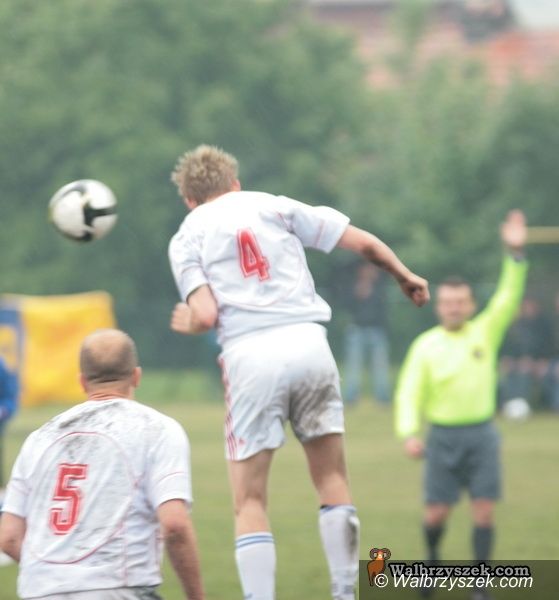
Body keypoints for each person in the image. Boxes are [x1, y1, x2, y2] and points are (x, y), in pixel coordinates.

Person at [168, 144, 429, 600]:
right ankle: (344, 591)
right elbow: (363, 242)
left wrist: (190, 321)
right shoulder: (275, 205)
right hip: (310, 345)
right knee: (331, 478)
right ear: (235, 183)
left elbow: (206, 315)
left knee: (249, 499)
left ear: (189, 199)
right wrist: (403, 275)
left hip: (251, 356)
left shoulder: (188, 234)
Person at [0, 329, 204, 600]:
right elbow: (175, 525)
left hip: (39, 591)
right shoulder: (157, 429)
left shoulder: (39, 438)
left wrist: (57, 578)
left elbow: (9, 538)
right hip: (118, 588)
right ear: (136, 376)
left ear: (82, 381)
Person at [394, 210, 528, 600]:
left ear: (470, 305)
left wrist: (515, 254)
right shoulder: (426, 346)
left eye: (460, 302)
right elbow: (408, 392)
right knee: (436, 513)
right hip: (442, 438)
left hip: (482, 435)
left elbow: (508, 296)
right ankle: (432, 561)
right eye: (448, 302)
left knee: (484, 510)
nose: (454, 307)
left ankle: (479, 583)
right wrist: (409, 433)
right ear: (438, 306)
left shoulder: (485, 332)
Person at [340, 262, 391, 405]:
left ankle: (383, 396)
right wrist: (357, 294)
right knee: (353, 365)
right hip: (357, 329)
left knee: (380, 366)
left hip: (377, 329)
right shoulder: (353, 286)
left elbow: (383, 308)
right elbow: (346, 305)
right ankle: (351, 396)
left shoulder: (380, 287)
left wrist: (372, 293)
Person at [499, 296, 553, 409]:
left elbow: (547, 346)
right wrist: (509, 358)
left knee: (524, 371)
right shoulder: (515, 325)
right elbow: (509, 347)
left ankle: (522, 403)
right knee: (509, 372)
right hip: (517, 361)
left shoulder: (544, 324)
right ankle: (510, 403)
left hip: (538, 361)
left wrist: (540, 360)